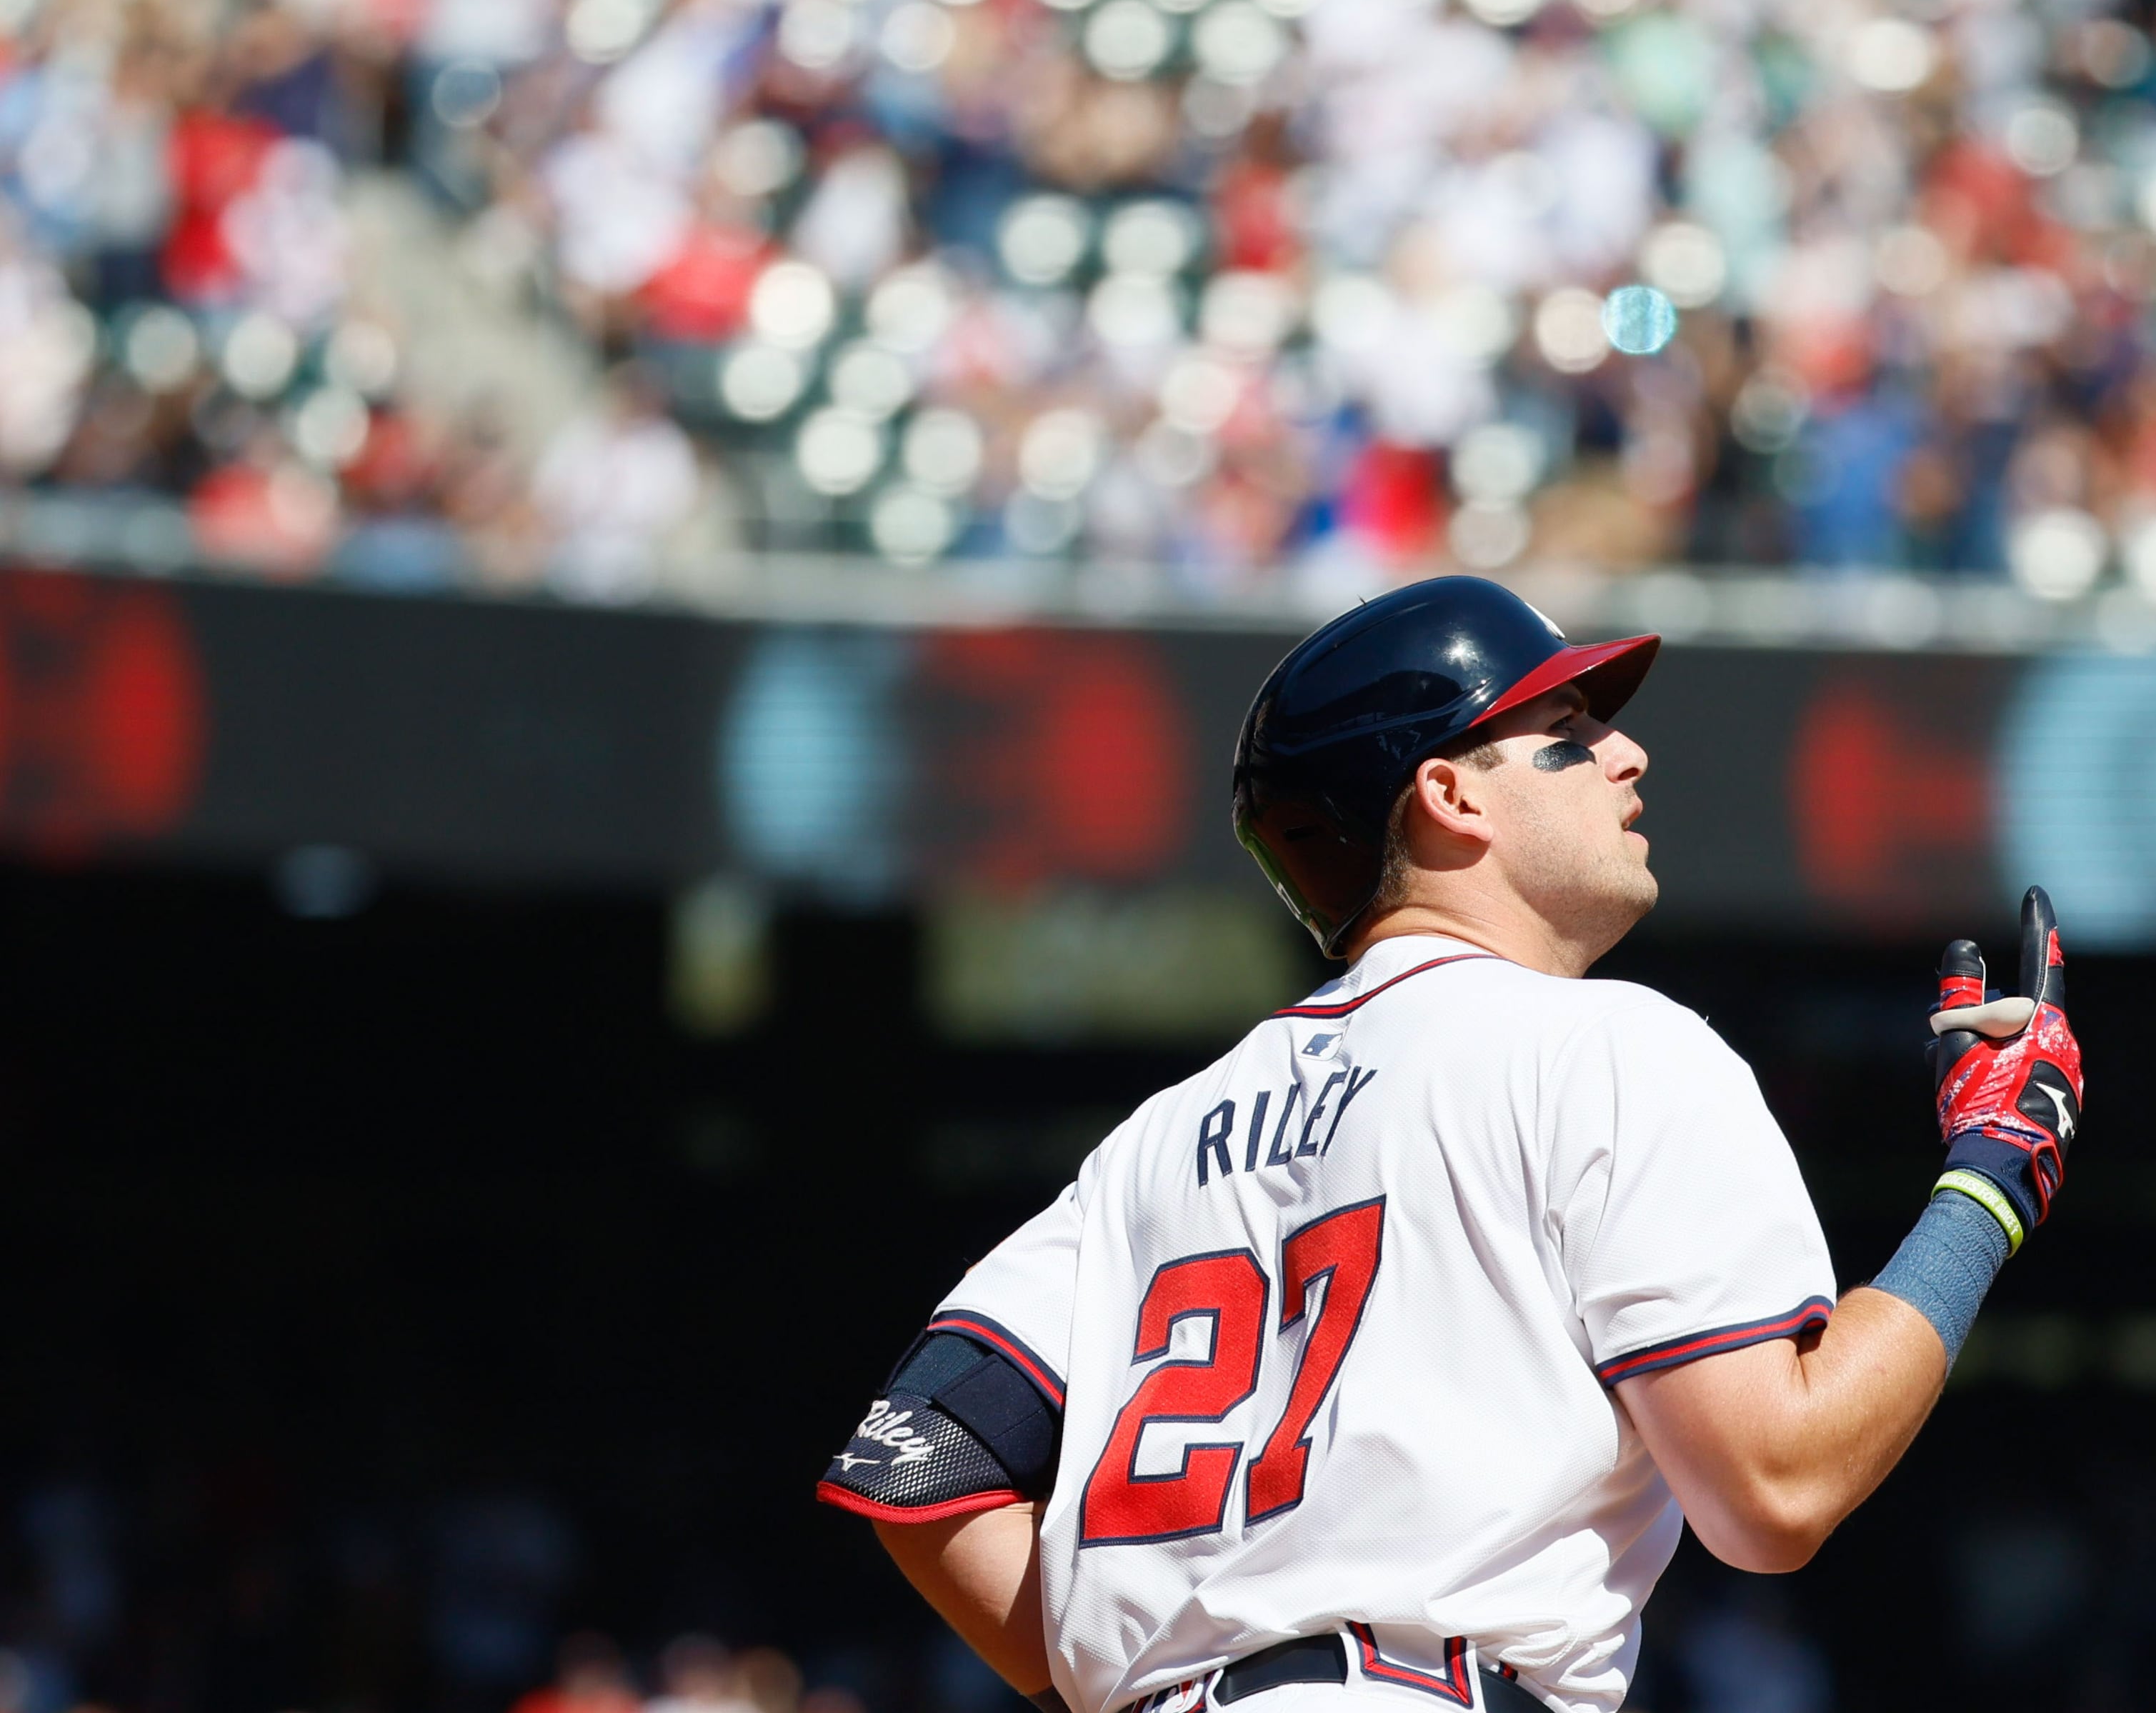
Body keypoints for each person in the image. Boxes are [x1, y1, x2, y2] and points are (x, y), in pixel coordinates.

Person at [817, 576, 2087, 1713]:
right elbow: (1775, 1486)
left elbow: (919, 1468)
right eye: (1571, 738)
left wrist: (1139, 1674)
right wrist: (1988, 1178)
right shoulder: (1605, 1049)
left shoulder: (1156, 1142)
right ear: (1449, 791)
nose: (1628, 756)